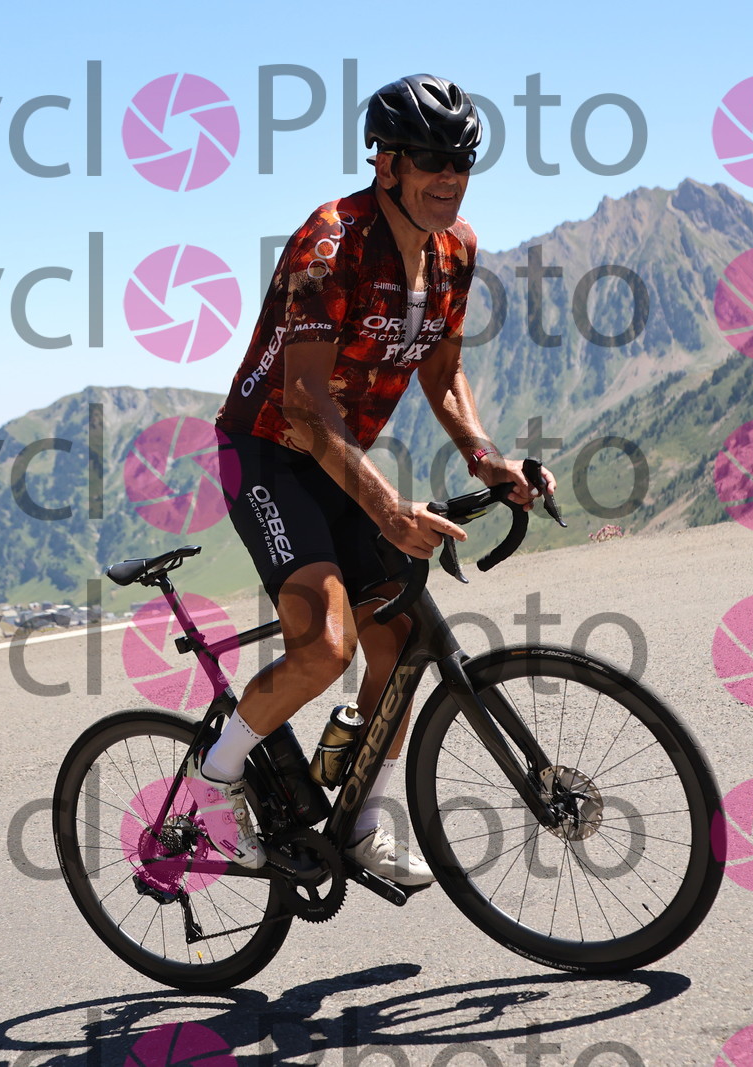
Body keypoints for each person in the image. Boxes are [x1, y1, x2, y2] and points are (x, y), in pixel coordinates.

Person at [195, 73, 556, 884]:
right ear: (385, 161)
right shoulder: (331, 245)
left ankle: (359, 822)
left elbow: (443, 372)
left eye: (462, 161)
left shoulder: (456, 249)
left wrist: (485, 456)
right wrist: (390, 510)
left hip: (337, 455)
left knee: (397, 645)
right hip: (266, 451)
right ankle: (213, 779)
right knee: (327, 647)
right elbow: (301, 401)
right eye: (431, 159)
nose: (449, 177)